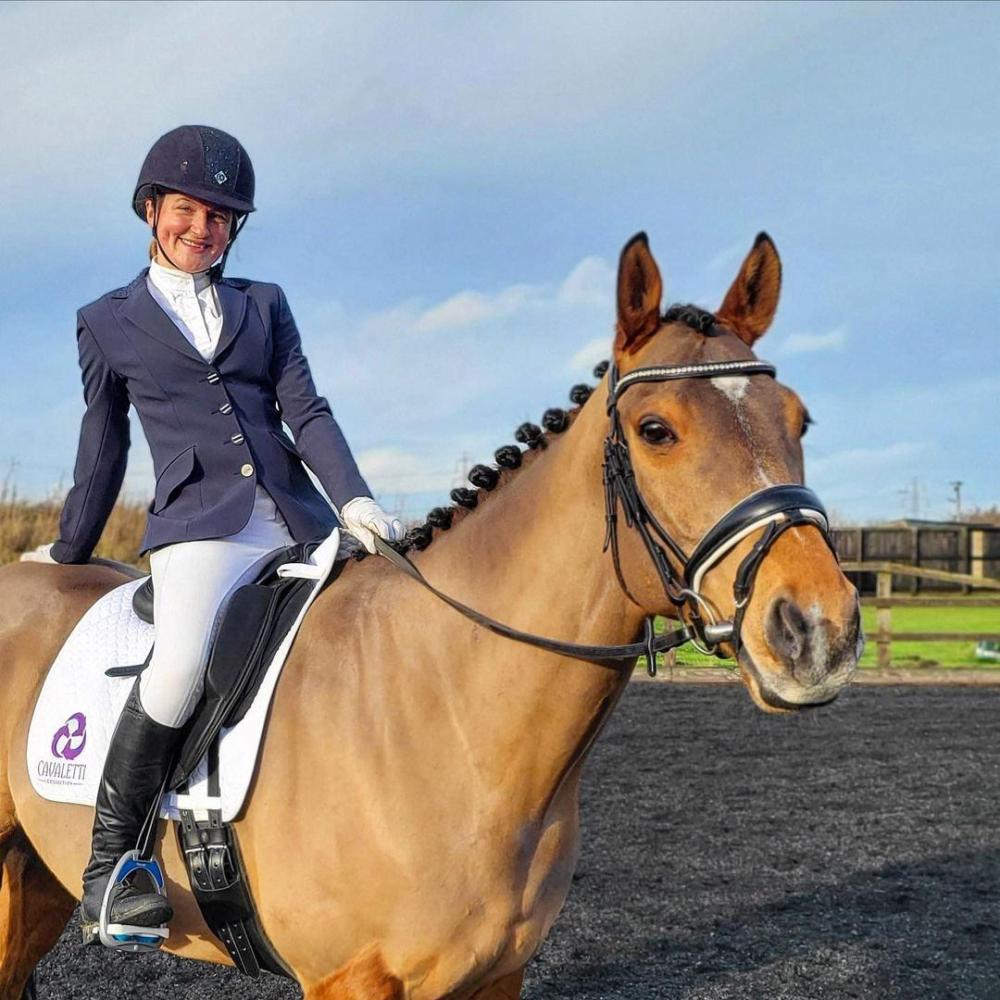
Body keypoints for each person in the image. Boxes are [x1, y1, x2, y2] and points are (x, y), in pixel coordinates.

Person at [21, 124, 405, 943]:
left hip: (298, 520)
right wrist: (70, 547)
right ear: (151, 209)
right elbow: (104, 444)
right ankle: (113, 869)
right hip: (201, 529)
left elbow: (305, 409)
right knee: (182, 661)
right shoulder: (105, 320)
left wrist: (355, 501)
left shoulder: (264, 305)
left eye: (222, 217)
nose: (203, 228)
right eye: (188, 210)